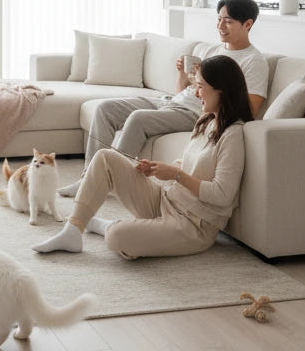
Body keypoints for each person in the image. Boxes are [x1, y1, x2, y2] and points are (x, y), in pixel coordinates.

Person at [32, 55, 253, 258]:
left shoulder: (233, 135)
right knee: (105, 157)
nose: (195, 93)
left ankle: (105, 225)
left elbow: (223, 195)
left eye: (201, 87)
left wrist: (176, 175)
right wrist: (160, 169)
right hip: (166, 201)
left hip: (193, 225)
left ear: (221, 91)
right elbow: (188, 163)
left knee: (117, 237)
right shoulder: (207, 121)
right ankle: (72, 232)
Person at [57, 0, 269, 198]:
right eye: (219, 19)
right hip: (173, 102)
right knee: (105, 109)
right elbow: (183, 92)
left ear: (248, 24)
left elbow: (248, 110)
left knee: (138, 119)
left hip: (196, 113)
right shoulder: (213, 51)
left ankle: (104, 181)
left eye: (228, 21)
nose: (220, 26)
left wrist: (208, 98)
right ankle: (88, 178)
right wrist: (184, 75)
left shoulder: (254, 61)